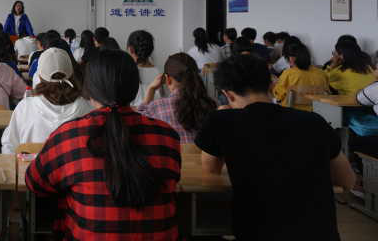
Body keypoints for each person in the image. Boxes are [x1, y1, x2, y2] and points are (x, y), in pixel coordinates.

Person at [195, 54, 355, 241]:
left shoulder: (222, 121)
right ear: (272, 86)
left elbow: (211, 168)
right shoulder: (314, 122)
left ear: (227, 94)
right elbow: (347, 180)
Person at [26, 49, 180, 239]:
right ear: (134, 88)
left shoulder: (68, 136)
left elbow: (35, 183)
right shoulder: (167, 136)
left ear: (89, 89)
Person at [1, 48, 93, 154]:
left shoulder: (25, 107)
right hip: (73, 165)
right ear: (72, 74)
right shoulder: (88, 108)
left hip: (32, 165)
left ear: (39, 76)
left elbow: (8, 146)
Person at [136, 53, 217, 144]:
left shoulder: (158, 107)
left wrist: (151, 89)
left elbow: (137, 123)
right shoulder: (210, 105)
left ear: (168, 79)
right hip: (202, 153)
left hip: (172, 153)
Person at [273, 43, 329, 111]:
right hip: (317, 112)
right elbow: (327, 93)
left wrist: (276, 83)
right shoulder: (322, 73)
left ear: (292, 58)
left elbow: (279, 97)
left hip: (293, 112)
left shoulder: (288, 74)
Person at [126, 30, 167, 105]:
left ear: (130, 49)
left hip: (133, 112)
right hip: (156, 112)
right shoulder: (160, 73)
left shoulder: (126, 72)